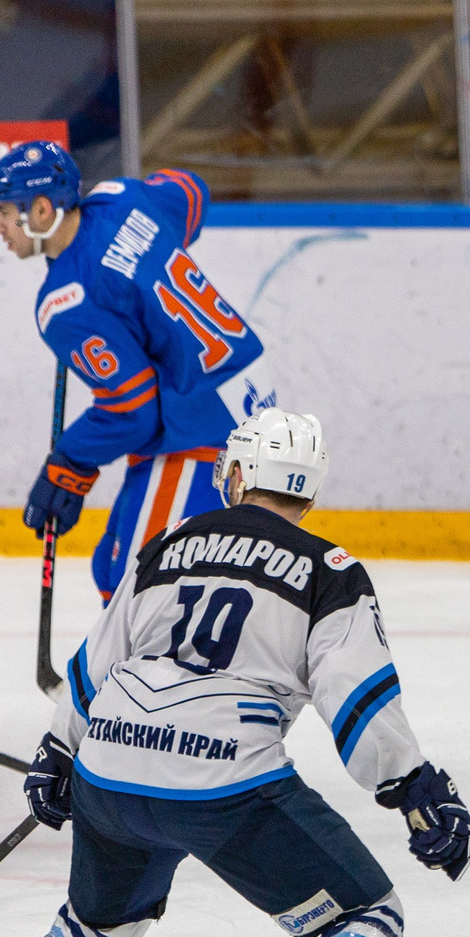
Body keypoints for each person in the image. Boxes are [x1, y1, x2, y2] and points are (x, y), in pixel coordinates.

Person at [0, 411, 470, 937]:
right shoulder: (329, 568)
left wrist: (59, 751)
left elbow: (98, 659)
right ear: (308, 492)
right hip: (222, 780)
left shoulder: (170, 544)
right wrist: (413, 787)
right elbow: (357, 698)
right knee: (366, 912)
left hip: (110, 766)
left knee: (95, 925)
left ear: (236, 475)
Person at [0, 140, 272, 601]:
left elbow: (132, 409)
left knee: (138, 586)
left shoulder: (66, 301)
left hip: (203, 429)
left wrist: (70, 462)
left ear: (41, 210)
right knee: (114, 566)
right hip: (246, 395)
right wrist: (147, 261)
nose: (1, 226)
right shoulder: (123, 198)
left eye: (5, 212)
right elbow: (191, 190)